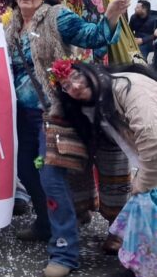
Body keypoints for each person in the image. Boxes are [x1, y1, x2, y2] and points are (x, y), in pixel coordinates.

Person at [4, 0, 133, 277]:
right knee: (25, 171)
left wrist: (112, 14)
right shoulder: (10, 26)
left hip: (56, 111)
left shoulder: (57, 17)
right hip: (21, 114)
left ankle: (65, 251)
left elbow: (93, 35)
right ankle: (46, 224)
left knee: (51, 177)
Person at [52, 60, 157, 277]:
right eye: (67, 86)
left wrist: (142, 185)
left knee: (144, 203)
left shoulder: (130, 87)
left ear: (90, 70)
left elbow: (153, 141)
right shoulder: (98, 101)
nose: (75, 87)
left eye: (76, 77)